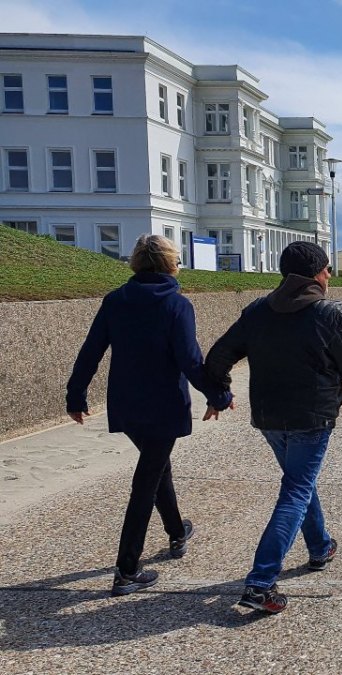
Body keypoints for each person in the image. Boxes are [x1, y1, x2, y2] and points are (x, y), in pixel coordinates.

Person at [206, 241, 342, 614]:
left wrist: (219, 393)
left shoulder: (257, 311)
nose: (330, 275)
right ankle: (261, 582)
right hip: (311, 418)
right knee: (297, 489)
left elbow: (218, 356)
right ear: (315, 274)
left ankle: (320, 547)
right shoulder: (328, 314)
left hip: (269, 417)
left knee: (299, 481)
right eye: (327, 269)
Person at [66, 234, 233, 597]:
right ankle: (127, 569)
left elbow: (91, 350)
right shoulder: (176, 304)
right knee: (146, 479)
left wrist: (75, 394)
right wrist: (219, 395)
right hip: (163, 405)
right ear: (171, 264)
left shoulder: (115, 301)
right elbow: (190, 360)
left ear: (136, 264)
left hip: (126, 404)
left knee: (157, 466)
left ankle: (176, 532)